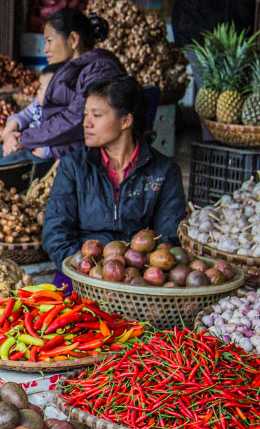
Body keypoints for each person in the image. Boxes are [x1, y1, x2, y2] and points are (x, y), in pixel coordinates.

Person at [42, 76, 186, 279]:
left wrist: (134, 273)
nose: (86, 123)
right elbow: (55, 233)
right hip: (80, 274)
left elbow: (168, 240)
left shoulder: (164, 172)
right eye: (86, 115)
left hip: (137, 278)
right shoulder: (73, 166)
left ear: (125, 121)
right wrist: (84, 269)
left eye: (97, 115)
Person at [0, 8, 124, 165]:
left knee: (3, 165)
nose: (45, 49)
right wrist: (14, 129)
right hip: (52, 143)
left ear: (73, 39)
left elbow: (76, 120)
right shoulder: (72, 67)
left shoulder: (100, 70)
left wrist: (26, 139)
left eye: (49, 41)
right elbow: (39, 106)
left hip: (76, 153)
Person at [173, 0, 257, 141]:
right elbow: (239, 6)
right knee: (211, 94)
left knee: (215, 94)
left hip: (201, 25)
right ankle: (213, 147)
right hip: (197, 30)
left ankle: (216, 147)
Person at [0, 62, 63, 161]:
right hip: (26, 144)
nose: (38, 92)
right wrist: (12, 127)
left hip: (39, 154)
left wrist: (50, 151)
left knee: (12, 159)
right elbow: (25, 115)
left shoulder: (61, 113)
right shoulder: (38, 103)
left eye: (41, 88)